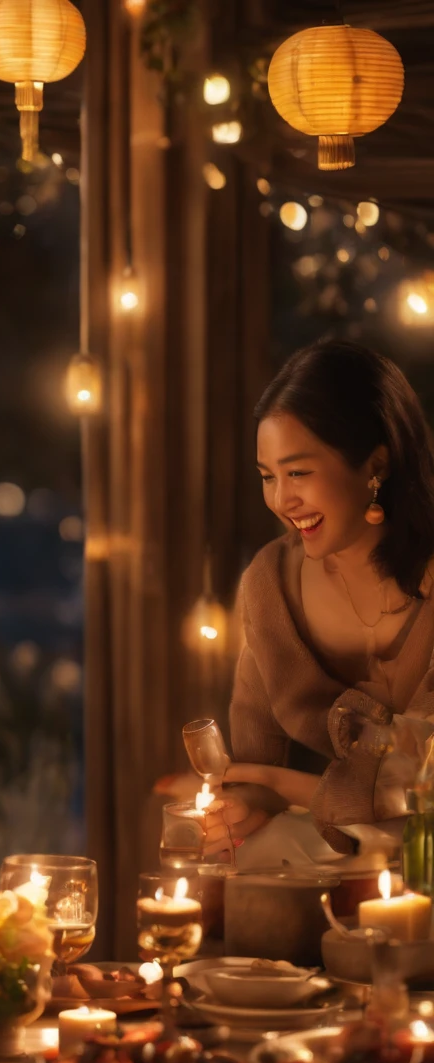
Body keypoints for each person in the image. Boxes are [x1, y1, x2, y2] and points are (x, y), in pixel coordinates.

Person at [217, 339, 434, 856]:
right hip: (347, 877)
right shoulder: (271, 585)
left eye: (298, 473)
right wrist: (243, 808)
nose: (281, 501)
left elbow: (423, 782)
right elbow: (252, 768)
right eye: (268, 477)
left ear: (375, 464)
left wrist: (298, 789)